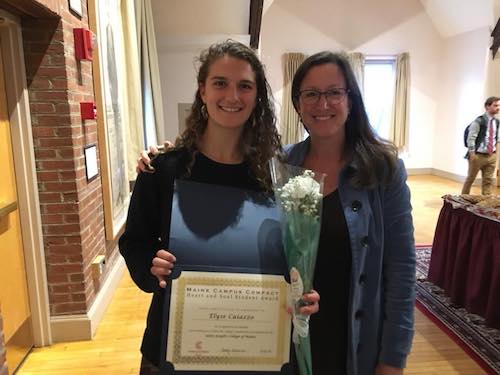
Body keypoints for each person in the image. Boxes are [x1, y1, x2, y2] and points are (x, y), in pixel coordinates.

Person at [138, 51, 416, 375]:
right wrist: (160, 157)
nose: (321, 104)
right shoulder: (276, 167)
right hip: (279, 335)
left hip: (352, 336)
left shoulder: (383, 170)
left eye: (334, 92)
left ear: (351, 99)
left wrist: (393, 359)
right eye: (311, 94)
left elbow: (402, 270)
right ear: (298, 103)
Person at [119, 40, 319, 375]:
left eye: (245, 86)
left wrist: (302, 293)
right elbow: (134, 243)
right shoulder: (163, 170)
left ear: (256, 97)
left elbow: (296, 255)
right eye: (220, 83)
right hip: (176, 340)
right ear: (202, 90)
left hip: (258, 342)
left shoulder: (277, 177)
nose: (232, 96)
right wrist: (150, 267)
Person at [461, 96, 500, 195]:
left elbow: (497, 138)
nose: (498, 108)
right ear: (487, 107)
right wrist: (472, 153)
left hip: (491, 155)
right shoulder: (479, 121)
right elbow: (471, 138)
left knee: (488, 181)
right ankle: (462, 200)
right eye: (495, 105)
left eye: (499, 105)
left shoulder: (497, 122)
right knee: (470, 179)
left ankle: (486, 204)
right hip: (478, 155)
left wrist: (496, 154)